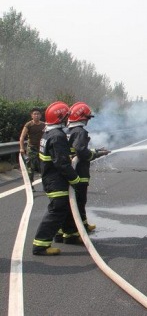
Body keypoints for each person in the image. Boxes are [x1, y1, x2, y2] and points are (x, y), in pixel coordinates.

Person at [32, 101, 81, 256]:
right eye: (66, 116)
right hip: (55, 180)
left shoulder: (48, 133)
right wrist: (75, 179)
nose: (68, 119)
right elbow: (62, 163)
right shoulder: (58, 136)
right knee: (57, 209)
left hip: (50, 178)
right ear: (60, 118)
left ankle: (69, 234)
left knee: (64, 207)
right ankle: (41, 244)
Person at [64, 102, 110, 235]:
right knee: (79, 200)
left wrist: (96, 150)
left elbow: (77, 149)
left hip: (72, 170)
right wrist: (95, 154)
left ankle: (82, 224)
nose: (88, 120)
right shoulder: (80, 132)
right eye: (87, 118)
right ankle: (74, 230)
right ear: (82, 117)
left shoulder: (68, 130)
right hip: (79, 172)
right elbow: (81, 151)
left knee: (75, 201)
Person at [19, 108, 45, 189]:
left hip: (41, 148)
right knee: (31, 167)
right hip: (32, 148)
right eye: (35, 114)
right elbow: (22, 137)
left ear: (40, 115)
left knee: (43, 167)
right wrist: (22, 148)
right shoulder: (29, 125)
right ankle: (30, 184)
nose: (36, 115)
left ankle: (46, 184)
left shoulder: (44, 125)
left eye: (38, 114)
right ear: (32, 115)